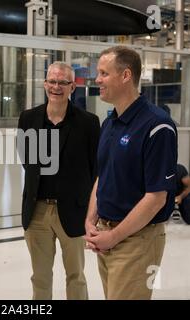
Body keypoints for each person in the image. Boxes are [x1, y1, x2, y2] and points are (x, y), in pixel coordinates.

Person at [85, 46, 177, 300]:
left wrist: (114, 236)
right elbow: (102, 175)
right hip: (106, 235)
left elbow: (156, 197)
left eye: (104, 73)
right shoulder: (110, 122)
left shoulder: (157, 125)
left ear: (126, 76)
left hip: (137, 241)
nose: (97, 80)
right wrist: (91, 220)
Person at [17, 61, 100, 300]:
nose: (56, 87)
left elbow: (96, 170)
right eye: (52, 81)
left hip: (74, 210)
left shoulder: (88, 123)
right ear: (45, 84)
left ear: (72, 87)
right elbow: (26, 160)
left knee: (76, 275)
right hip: (37, 212)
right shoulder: (28, 119)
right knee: (40, 278)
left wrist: (91, 214)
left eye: (63, 82)